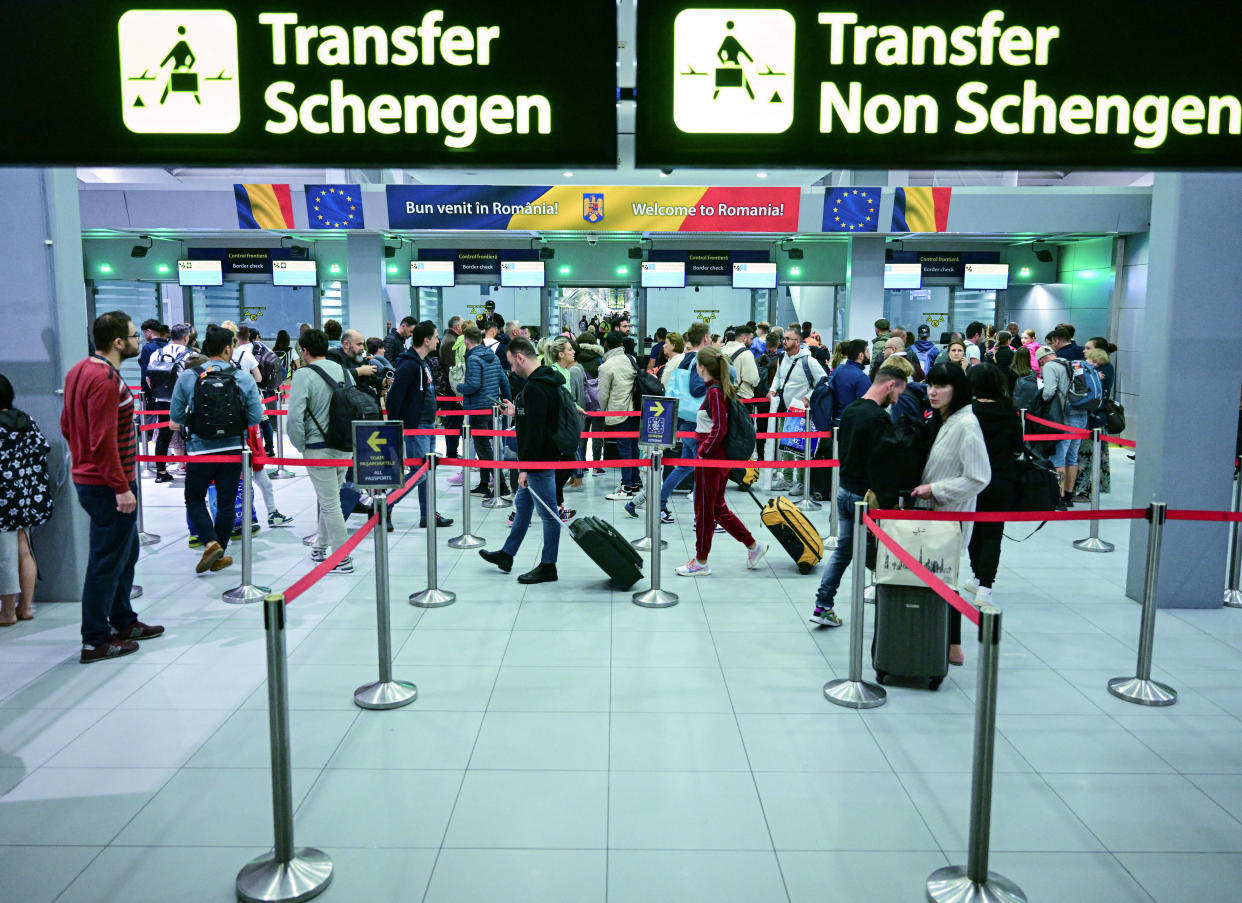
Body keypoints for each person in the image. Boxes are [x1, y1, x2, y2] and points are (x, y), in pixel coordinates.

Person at [61, 311, 164, 662]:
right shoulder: (105, 379)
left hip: (96, 479)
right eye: (135, 335)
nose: (140, 340)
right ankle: (95, 638)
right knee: (106, 561)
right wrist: (121, 486)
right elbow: (101, 440)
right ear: (118, 342)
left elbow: (67, 425)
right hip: (107, 484)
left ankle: (123, 620)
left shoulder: (79, 370)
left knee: (126, 551)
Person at [809, 359, 910, 628]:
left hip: (844, 491)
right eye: (898, 392)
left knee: (845, 550)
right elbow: (882, 463)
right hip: (865, 498)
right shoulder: (878, 418)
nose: (897, 399)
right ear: (890, 385)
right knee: (878, 552)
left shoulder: (852, 410)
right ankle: (892, 605)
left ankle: (823, 604)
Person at [910, 362, 991, 667]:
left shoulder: (966, 425)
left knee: (946, 579)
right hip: (932, 515)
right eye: (931, 384)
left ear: (957, 389)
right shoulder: (946, 419)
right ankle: (937, 637)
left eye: (941, 385)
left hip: (949, 515)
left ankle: (953, 643)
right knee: (935, 577)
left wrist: (937, 490)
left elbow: (978, 477)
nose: (933, 391)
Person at [169, 324, 264, 574]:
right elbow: (256, 416)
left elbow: (176, 416)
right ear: (227, 349)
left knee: (194, 498)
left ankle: (210, 542)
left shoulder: (189, 376)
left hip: (200, 450)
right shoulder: (241, 377)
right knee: (226, 502)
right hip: (234, 449)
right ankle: (219, 549)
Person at [674, 346, 767, 577]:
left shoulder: (714, 392)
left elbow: (719, 428)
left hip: (711, 460)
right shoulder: (718, 389)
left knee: (704, 510)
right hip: (717, 459)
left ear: (701, 367)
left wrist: (703, 452)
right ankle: (753, 546)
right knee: (716, 508)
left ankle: (701, 561)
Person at [478, 337, 564, 585]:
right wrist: (518, 412)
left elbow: (535, 432)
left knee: (549, 514)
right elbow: (539, 419)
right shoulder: (546, 380)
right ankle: (507, 555)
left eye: (512, 365)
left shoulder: (536, 387)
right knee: (523, 506)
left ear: (520, 357)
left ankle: (549, 565)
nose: (512, 370)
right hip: (542, 458)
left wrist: (524, 468)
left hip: (539, 461)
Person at [287, 328, 356, 574]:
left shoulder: (304, 375)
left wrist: (300, 445)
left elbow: (294, 416)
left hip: (318, 448)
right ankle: (320, 546)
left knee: (329, 503)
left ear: (304, 351)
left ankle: (342, 558)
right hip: (345, 446)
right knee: (331, 499)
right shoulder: (344, 371)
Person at [963, 363, 1022, 609]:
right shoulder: (1009, 411)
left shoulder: (967, 412)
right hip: (1000, 479)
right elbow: (1017, 447)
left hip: (970, 479)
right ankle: (985, 586)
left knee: (973, 529)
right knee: (993, 533)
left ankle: (978, 576)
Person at [387, 320, 453, 529]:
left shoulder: (422, 363)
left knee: (426, 472)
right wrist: (398, 427)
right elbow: (394, 400)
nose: (437, 340)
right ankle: (385, 505)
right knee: (419, 473)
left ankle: (427, 514)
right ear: (426, 340)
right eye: (434, 337)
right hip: (416, 427)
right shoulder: (409, 365)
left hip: (427, 424)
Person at [645, 321, 712, 522]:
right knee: (703, 470)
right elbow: (697, 388)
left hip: (686, 420)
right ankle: (702, 518)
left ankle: (660, 504)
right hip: (697, 423)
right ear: (706, 338)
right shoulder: (699, 359)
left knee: (686, 466)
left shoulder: (685, 359)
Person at [0, 374, 50, 626]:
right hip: (28, 498)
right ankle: (25, 607)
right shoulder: (25, 420)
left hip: (2, 500)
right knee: (24, 551)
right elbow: (42, 451)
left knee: (5, 556)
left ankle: (7, 612)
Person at [458, 323, 512, 497]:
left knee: (483, 449)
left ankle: (500, 485)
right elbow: (504, 381)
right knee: (487, 447)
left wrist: (459, 387)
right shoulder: (493, 357)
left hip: (477, 408)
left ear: (467, 341)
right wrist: (506, 401)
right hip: (492, 408)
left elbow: (473, 385)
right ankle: (484, 483)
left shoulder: (473, 359)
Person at [1036, 344, 1086, 509]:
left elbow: (1049, 391)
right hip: (1081, 413)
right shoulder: (1070, 363)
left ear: (1042, 360)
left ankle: (1059, 497)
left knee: (1058, 458)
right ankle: (1069, 496)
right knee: (1072, 457)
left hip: (1064, 416)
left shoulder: (1050, 366)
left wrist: (1040, 400)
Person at [145, 322, 193, 483]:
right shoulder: (189, 354)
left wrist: (158, 393)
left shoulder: (157, 353)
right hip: (184, 400)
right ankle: (191, 467)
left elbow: (149, 377)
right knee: (190, 434)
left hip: (162, 401)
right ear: (186, 338)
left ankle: (161, 472)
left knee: (163, 437)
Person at [598, 330, 640, 499]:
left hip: (619, 411)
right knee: (633, 446)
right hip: (635, 409)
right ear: (622, 344)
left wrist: (604, 411)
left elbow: (602, 395)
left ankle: (626, 487)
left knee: (624, 449)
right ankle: (635, 482)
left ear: (606, 345)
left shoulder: (606, 366)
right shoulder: (631, 359)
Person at [1075, 341, 1117, 499]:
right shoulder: (1098, 369)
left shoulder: (1103, 370)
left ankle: (1084, 489)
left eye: (1088, 348)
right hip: (1094, 417)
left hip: (1094, 418)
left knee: (1087, 455)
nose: (1084, 351)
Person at [547, 335, 587, 500]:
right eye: (570, 349)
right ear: (561, 354)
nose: (574, 352)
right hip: (556, 424)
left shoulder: (567, 372)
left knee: (566, 462)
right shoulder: (553, 371)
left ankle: (557, 500)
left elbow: (567, 396)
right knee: (563, 462)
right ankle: (555, 500)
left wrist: (577, 407)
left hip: (566, 421)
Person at [437, 315, 465, 483]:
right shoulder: (450, 342)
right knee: (453, 420)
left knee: (454, 420)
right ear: (457, 327)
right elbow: (452, 369)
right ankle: (452, 452)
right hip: (451, 389)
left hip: (451, 389)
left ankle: (453, 451)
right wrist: (456, 389)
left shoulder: (451, 339)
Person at [825, 339, 871, 427]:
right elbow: (865, 407)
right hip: (851, 424)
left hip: (834, 421)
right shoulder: (861, 378)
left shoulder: (838, 369)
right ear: (861, 355)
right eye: (867, 351)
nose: (869, 354)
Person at [722, 327, 760, 398]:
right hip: (741, 395)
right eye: (751, 339)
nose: (752, 342)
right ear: (744, 339)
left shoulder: (722, 350)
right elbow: (753, 379)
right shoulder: (746, 353)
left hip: (724, 394)